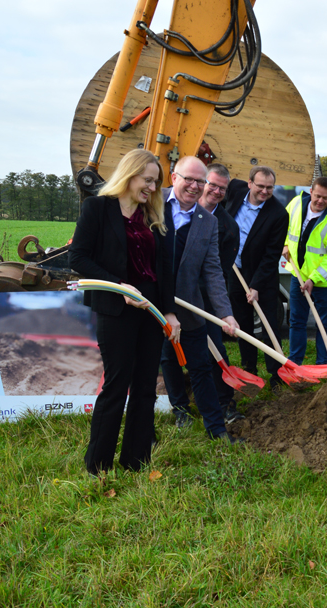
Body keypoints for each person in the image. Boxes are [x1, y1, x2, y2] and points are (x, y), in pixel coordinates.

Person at [69, 148, 178, 475]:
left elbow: (165, 270)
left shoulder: (155, 215)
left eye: (155, 182)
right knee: (116, 386)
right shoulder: (97, 208)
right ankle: (97, 466)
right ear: (129, 175)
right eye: (147, 180)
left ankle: (136, 461)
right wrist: (120, 286)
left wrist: (169, 313)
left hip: (151, 312)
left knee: (146, 387)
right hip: (116, 310)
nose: (151, 188)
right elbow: (79, 260)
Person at [160, 156, 240, 442]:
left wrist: (225, 313)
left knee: (201, 366)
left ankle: (216, 430)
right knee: (166, 358)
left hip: (190, 305)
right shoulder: (152, 206)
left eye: (199, 181)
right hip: (152, 305)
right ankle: (178, 409)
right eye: (188, 179)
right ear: (173, 178)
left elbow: (213, 271)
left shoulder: (208, 222)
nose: (194, 186)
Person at [225, 165, 291, 390]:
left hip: (262, 276)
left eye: (269, 187)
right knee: (242, 324)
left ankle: (276, 375)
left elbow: (271, 255)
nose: (264, 191)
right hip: (235, 270)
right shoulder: (234, 189)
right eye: (260, 186)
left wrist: (255, 286)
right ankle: (249, 371)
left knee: (269, 326)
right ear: (249, 183)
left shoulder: (278, 214)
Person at [283, 176, 327, 365]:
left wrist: (313, 279)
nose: (320, 201)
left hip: (322, 283)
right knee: (296, 321)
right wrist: (285, 244)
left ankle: (323, 363)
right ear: (310, 192)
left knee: (323, 324)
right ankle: (294, 361)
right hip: (298, 275)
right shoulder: (295, 204)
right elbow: (283, 227)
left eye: (325, 198)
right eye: (317, 196)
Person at [198, 163, 243, 423]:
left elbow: (219, 273)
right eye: (211, 184)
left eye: (221, 189)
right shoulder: (177, 211)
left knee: (215, 350)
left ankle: (225, 403)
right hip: (172, 295)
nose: (215, 191)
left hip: (204, 298)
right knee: (168, 352)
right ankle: (179, 405)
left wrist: (221, 310)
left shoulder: (227, 227)